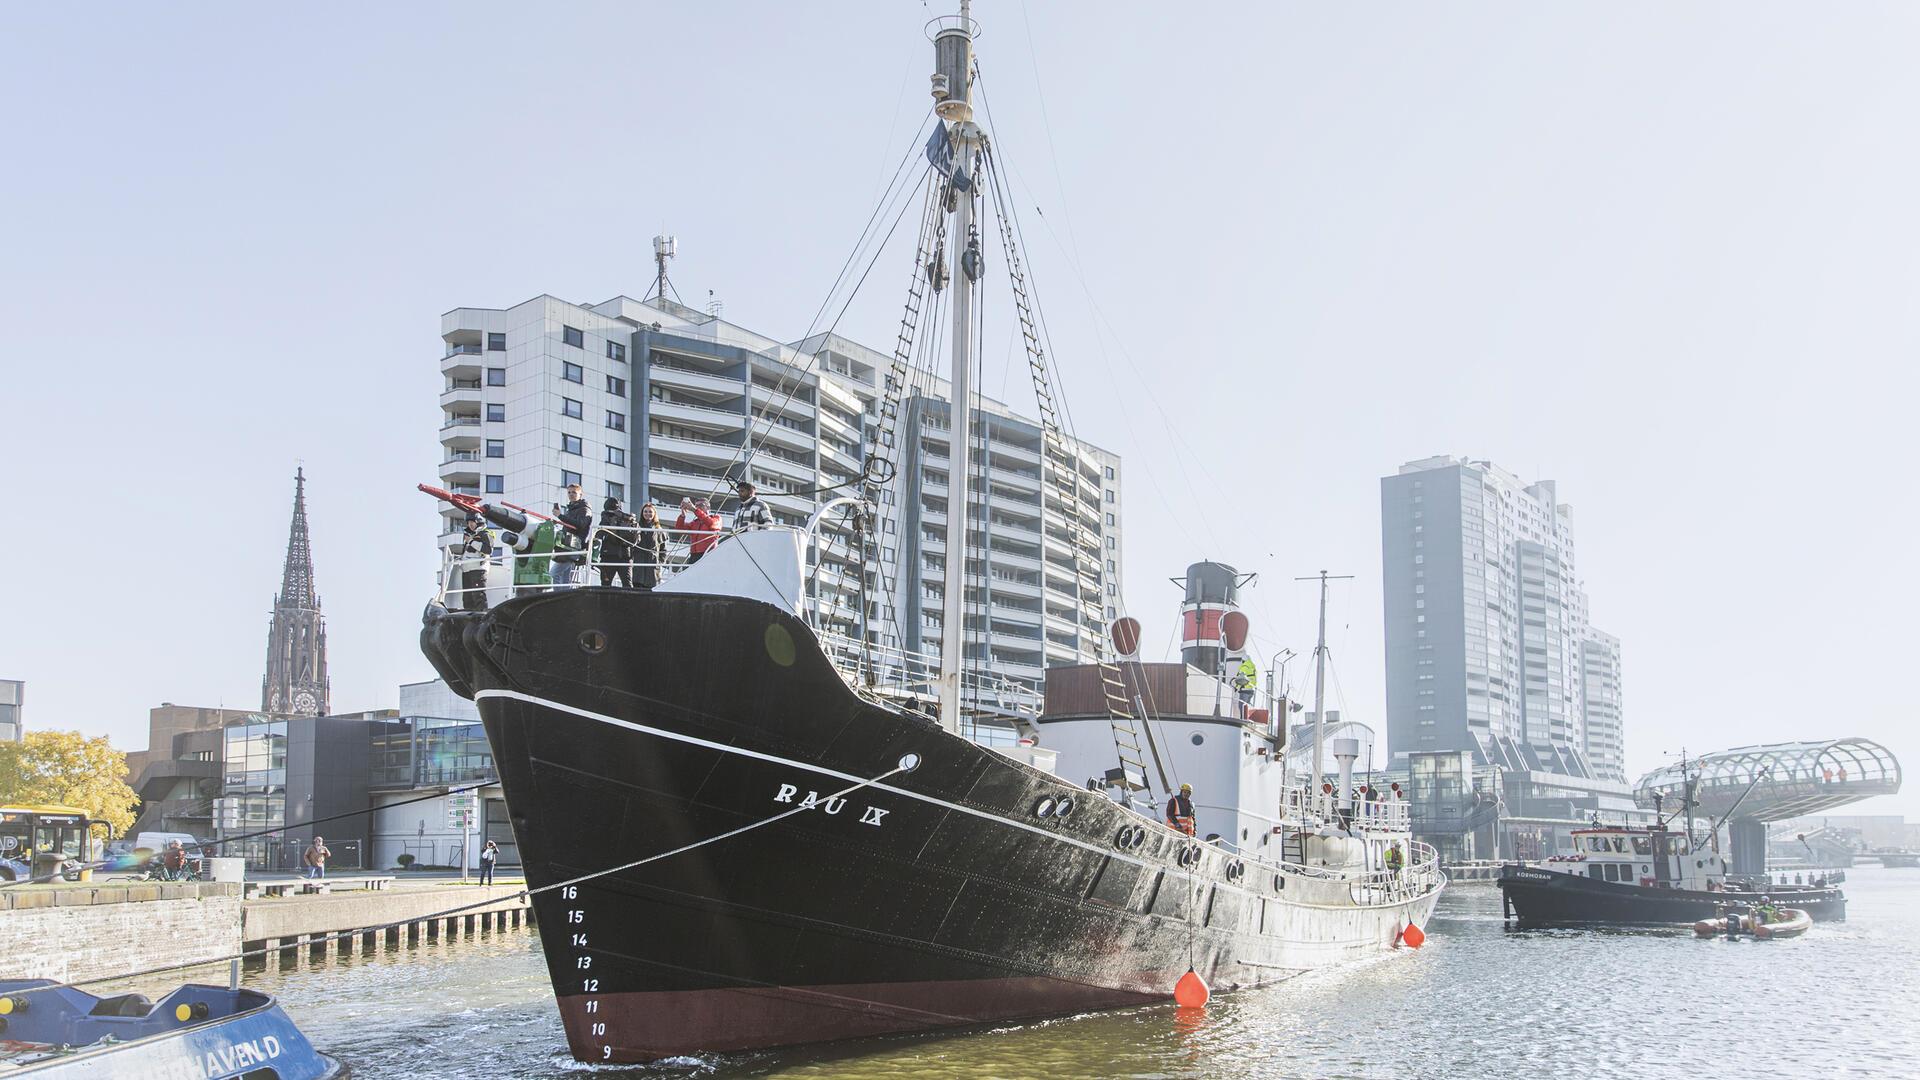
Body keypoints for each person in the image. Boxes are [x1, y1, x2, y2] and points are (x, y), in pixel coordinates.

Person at [551, 483, 593, 585]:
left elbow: (580, 525)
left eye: (574, 492)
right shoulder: (572, 509)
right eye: (569, 492)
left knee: (554, 574)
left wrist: (560, 516)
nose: (571, 494)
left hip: (574, 547)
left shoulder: (584, 509)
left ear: (580, 494)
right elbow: (571, 525)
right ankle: (563, 598)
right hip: (568, 546)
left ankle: (558, 598)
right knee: (565, 577)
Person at [596, 497, 639, 588]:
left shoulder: (606, 517)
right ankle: (629, 602)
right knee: (627, 584)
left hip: (608, 555)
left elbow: (599, 534)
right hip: (625, 556)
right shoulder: (628, 518)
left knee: (605, 585)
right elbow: (637, 539)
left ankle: (606, 602)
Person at [458, 513, 492, 611]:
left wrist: (471, 541)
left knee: (478, 596)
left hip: (478, 569)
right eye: (468, 522)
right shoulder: (469, 535)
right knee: (467, 598)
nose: (470, 525)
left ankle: (481, 616)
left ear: (479, 521)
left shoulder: (485, 533)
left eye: (472, 522)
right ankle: (469, 618)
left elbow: (488, 550)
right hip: (466, 569)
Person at [633, 501, 668, 589]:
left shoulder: (659, 529)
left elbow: (663, 550)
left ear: (654, 513)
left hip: (653, 568)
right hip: (638, 566)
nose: (647, 514)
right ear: (642, 513)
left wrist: (659, 562)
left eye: (650, 511)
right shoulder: (636, 527)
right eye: (645, 511)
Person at [676, 497, 721, 564]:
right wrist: (683, 515)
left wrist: (694, 510)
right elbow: (679, 528)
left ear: (708, 507)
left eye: (701, 505)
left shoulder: (716, 518)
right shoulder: (695, 522)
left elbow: (711, 523)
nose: (698, 507)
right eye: (696, 505)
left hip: (708, 553)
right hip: (694, 555)